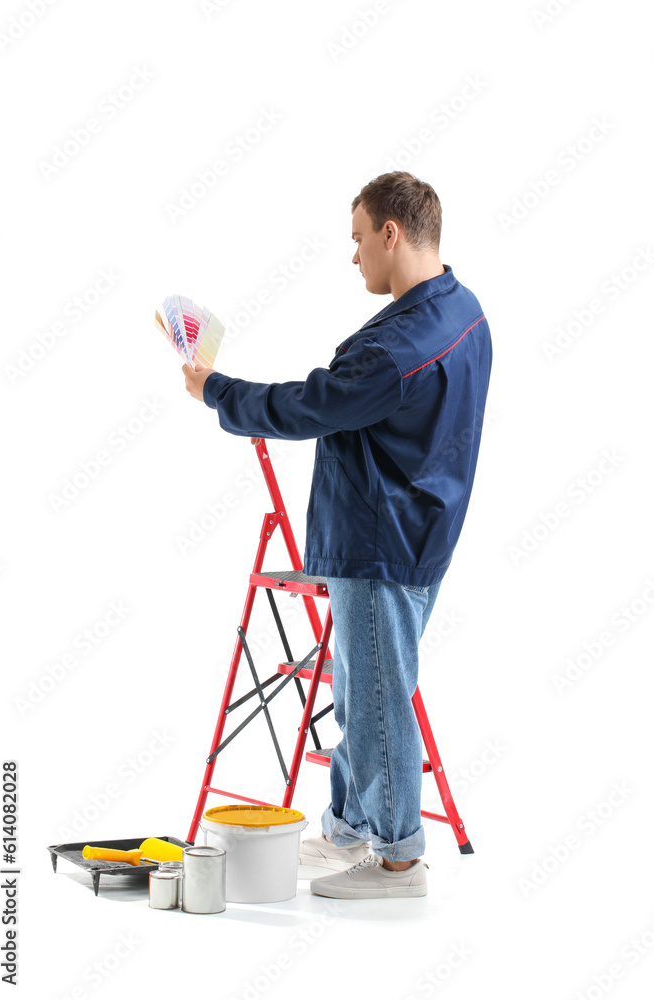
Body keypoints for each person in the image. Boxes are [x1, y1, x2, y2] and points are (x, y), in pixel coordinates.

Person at [183, 170, 492, 899]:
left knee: (377, 697)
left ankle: (396, 860)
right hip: (415, 527)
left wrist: (216, 391)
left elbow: (313, 405)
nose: (353, 256)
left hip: (381, 540)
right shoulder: (462, 307)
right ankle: (352, 827)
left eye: (358, 239)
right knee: (360, 687)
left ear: (391, 233)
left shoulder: (401, 345)